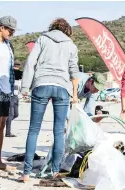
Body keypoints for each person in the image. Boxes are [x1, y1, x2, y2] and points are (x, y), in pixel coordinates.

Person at [19, 18, 80, 182]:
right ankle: (54, 171)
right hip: (62, 87)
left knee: (33, 130)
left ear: (52, 27)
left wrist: (25, 87)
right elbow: (74, 72)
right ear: (67, 30)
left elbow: (31, 62)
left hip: (42, 84)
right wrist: (75, 94)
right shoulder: (71, 45)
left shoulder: (42, 39)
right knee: (59, 131)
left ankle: (26, 173)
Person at [0, 15, 18, 171]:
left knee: (1, 125)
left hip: (6, 89)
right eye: (10, 30)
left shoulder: (9, 45)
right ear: (1, 27)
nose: (12, 33)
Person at [5, 60, 23, 137]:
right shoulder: (11, 74)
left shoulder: (19, 74)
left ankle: (4, 124)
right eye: (15, 65)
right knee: (11, 114)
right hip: (11, 96)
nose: (17, 67)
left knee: (16, 114)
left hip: (16, 96)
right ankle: (8, 132)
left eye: (18, 65)